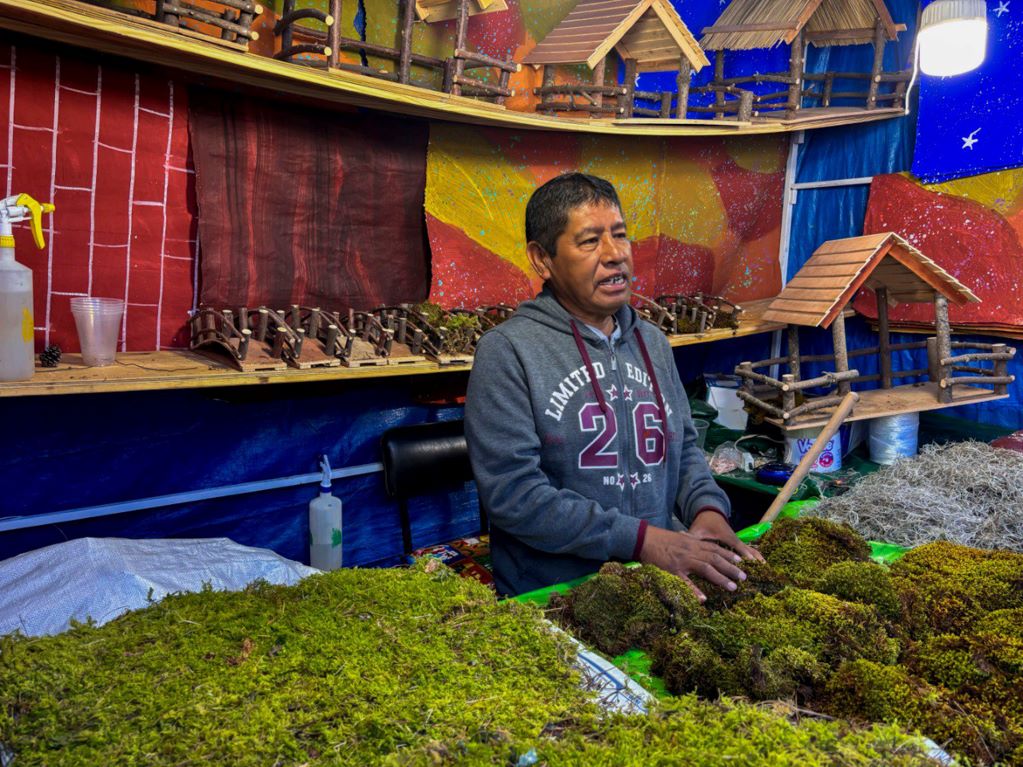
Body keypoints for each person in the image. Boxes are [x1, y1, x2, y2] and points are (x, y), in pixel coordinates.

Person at [465, 172, 762, 598]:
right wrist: (642, 540)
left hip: (656, 584)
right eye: (589, 241)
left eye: (620, 235)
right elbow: (515, 496)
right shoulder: (509, 352)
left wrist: (707, 507)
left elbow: (684, 449)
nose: (615, 254)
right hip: (558, 591)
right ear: (542, 259)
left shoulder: (653, 343)